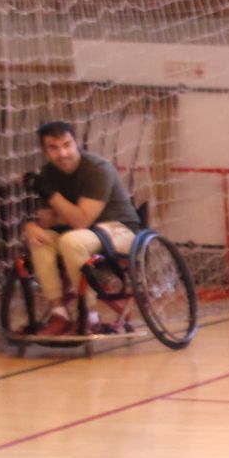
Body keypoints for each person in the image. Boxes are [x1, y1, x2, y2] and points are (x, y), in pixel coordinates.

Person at [22, 120, 143, 336]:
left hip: (119, 230)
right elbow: (48, 221)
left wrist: (50, 193)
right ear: (45, 150)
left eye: (67, 145)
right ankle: (59, 313)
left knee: (72, 239)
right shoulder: (49, 172)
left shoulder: (97, 169)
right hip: (83, 235)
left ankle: (88, 314)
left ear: (76, 143)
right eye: (54, 148)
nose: (63, 153)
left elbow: (81, 221)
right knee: (41, 240)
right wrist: (32, 226)